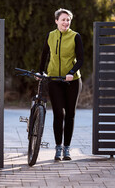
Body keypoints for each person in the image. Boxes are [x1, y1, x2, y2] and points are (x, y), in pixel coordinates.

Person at [39, 8, 83, 161]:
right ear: (56, 21)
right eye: (63, 19)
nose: (66, 22)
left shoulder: (75, 37)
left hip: (72, 81)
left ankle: (67, 149)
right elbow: (44, 54)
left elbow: (81, 59)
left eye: (68, 20)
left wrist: (71, 72)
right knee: (59, 114)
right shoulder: (50, 36)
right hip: (54, 80)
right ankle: (58, 147)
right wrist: (40, 72)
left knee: (70, 114)